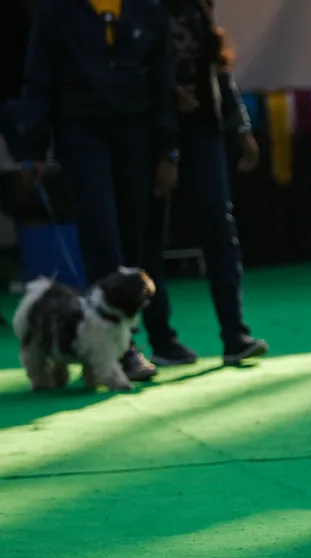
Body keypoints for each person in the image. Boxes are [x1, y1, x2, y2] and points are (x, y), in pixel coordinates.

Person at [15, 0, 179, 381]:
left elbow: (161, 77)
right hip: (80, 130)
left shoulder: (148, 9)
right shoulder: (56, 10)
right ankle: (119, 350)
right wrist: (33, 147)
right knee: (101, 233)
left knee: (134, 235)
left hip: (135, 131)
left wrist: (168, 148)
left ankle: (132, 339)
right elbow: (38, 76)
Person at [140, 0, 268, 367]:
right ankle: (161, 340)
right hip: (150, 135)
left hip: (203, 129)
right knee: (150, 235)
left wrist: (241, 127)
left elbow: (218, 68)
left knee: (218, 227)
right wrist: (164, 101)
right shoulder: (142, 10)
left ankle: (235, 335)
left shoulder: (197, 8)